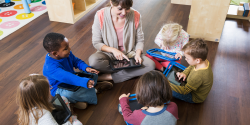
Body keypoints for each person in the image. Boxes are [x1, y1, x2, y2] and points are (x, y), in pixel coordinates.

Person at [88, 0, 155, 83]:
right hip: (109, 54)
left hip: (129, 54)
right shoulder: (100, 15)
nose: (124, 13)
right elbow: (96, 42)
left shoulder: (136, 15)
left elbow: (140, 40)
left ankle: (109, 76)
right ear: (111, 3)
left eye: (127, 8)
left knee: (151, 65)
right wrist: (114, 50)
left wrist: (137, 54)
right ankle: (130, 71)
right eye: (120, 9)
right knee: (94, 61)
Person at [43, 33, 113, 109]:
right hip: (60, 88)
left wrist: (86, 68)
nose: (69, 49)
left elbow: (76, 61)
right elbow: (67, 77)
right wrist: (83, 82)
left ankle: (83, 97)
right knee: (70, 94)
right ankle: (94, 90)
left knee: (92, 73)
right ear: (55, 53)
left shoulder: (67, 54)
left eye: (68, 46)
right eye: (66, 49)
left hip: (73, 78)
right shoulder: (50, 67)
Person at [16, 74, 83, 125]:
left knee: (63, 99)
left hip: (48, 116)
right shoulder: (45, 116)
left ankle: (69, 114)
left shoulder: (26, 106)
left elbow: (32, 80)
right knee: (77, 123)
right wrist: (69, 121)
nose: (50, 89)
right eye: (49, 88)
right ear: (42, 96)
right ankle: (71, 116)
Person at [170, 38, 213, 103]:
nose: (186, 59)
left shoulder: (198, 76)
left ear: (197, 60)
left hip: (194, 97)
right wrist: (184, 73)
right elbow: (191, 66)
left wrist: (167, 85)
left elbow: (184, 91)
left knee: (167, 90)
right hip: (192, 84)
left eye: (187, 58)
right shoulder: (204, 61)